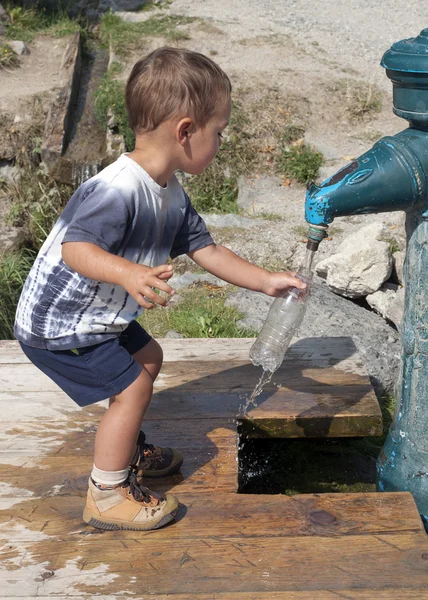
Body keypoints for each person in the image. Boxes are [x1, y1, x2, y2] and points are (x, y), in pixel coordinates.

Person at [14, 47, 306, 531]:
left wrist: (265, 281)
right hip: (60, 323)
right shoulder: (117, 189)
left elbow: (206, 249)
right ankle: (106, 494)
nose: (221, 142)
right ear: (186, 131)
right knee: (130, 386)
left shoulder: (170, 190)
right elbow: (76, 250)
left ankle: (127, 449)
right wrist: (128, 273)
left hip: (98, 316)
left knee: (147, 358)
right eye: (219, 132)